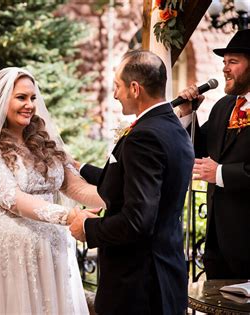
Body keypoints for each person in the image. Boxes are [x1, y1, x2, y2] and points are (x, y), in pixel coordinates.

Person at [0, 67, 104, 314]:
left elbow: (73, 185)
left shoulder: (42, 142)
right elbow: (13, 199)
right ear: (1, 101)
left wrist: (123, 196)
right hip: (9, 255)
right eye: (21, 97)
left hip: (51, 253)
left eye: (33, 98)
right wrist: (69, 216)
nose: (30, 105)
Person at [70, 50, 194, 315]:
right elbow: (125, 180)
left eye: (117, 86)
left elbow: (137, 220)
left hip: (138, 285)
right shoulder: (171, 126)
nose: (115, 94)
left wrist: (88, 228)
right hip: (166, 272)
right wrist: (78, 166)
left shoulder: (144, 136)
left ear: (135, 88)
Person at [177, 29, 250, 279]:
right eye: (224, 62)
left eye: (233, 62)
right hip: (217, 242)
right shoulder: (223, 106)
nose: (225, 69)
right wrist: (188, 114)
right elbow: (198, 149)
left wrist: (220, 173)